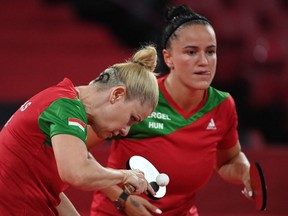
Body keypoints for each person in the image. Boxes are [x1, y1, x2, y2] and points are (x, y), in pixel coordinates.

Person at [89, 4, 253, 216]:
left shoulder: (222, 105)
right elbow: (78, 151)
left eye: (211, 52)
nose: (204, 62)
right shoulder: (140, 96)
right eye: (191, 52)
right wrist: (123, 198)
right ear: (168, 58)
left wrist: (245, 171)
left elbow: (228, 160)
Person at [0, 45, 159, 215]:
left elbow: (50, 192)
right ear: (117, 95)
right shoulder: (65, 107)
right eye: (132, 118)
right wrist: (125, 176)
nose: (125, 131)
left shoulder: (63, 102)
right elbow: (77, 173)